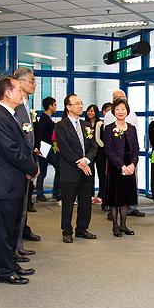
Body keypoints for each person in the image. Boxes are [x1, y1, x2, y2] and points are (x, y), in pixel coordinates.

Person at [0, 76, 38, 285]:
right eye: (18, 88)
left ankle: (12, 264)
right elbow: (11, 152)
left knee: (13, 228)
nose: (22, 92)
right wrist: (32, 168)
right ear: (7, 93)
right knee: (4, 232)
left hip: (15, 182)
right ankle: (3, 271)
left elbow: (22, 147)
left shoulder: (11, 114)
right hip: (4, 185)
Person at [55, 94, 97, 243]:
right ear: (68, 107)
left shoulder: (86, 125)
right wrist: (79, 162)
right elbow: (64, 149)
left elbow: (93, 145)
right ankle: (67, 231)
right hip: (70, 170)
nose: (81, 106)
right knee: (68, 203)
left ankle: (82, 229)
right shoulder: (61, 125)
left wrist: (86, 160)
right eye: (77, 104)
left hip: (86, 170)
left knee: (86, 202)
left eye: (81, 103)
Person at [103, 90, 144, 218]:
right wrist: (121, 165)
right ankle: (113, 215)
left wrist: (132, 163)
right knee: (115, 191)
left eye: (123, 109)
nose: (120, 111)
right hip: (116, 162)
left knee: (128, 190)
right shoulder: (109, 123)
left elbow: (136, 146)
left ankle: (130, 211)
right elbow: (108, 148)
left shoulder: (132, 124)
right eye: (117, 109)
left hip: (129, 160)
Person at [12, 67, 41, 256]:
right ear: (20, 82)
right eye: (31, 81)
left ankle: (18, 246)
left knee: (22, 211)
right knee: (14, 213)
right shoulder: (13, 107)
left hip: (26, 164)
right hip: (17, 167)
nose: (35, 84)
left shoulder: (25, 103)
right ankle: (13, 250)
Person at [35, 96, 61, 205]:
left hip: (45, 148)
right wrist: (39, 147)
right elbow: (40, 133)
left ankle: (40, 195)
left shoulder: (47, 118)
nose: (56, 107)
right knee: (58, 167)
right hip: (45, 148)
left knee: (43, 171)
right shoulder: (45, 118)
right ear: (50, 106)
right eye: (54, 105)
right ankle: (55, 193)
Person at [95, 102, 112, 211]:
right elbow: (98, 139)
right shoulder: (100, 124)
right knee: (103, 177)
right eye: (108, 110)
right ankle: (104, 201)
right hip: (102, 153)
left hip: (112, 155)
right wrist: (107, 147)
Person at [84, 104, 102, 204]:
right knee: (90, 174)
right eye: (88, 111)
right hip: (89, 153)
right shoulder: (84, 124)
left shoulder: (100, 123)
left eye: (92, 111)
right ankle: (90, 194)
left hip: (100, 152)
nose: (90, 113)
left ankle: (100, 195)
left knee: (101, 174)